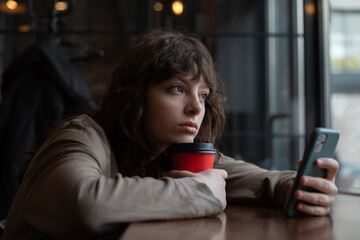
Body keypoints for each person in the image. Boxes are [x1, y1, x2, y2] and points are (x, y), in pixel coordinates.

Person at [3, 30, 339, 239]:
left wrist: (297, 188)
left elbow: (242, 176)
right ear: (136, 96)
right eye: (177, 89)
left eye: (203, 95)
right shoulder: (80, 136)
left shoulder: (169, 149)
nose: (196, 108)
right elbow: (81, 205)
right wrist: (196, 192)